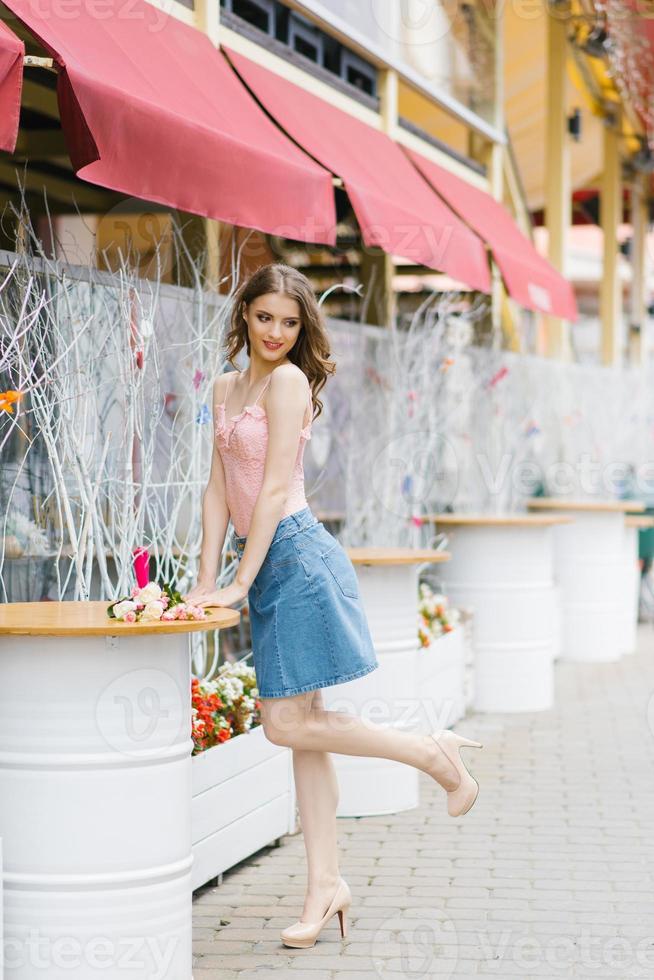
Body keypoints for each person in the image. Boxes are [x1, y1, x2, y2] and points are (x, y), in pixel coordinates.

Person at [183, 262, 483, 949]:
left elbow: (271, 490)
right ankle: (326, 887)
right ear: (245, 315)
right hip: (267, 562)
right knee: (306, 729)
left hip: (296, 558)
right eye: (265, 318)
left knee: (287, 726)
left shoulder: (289, 384)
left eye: (290, 323)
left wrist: (238, 580)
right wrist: (208, 579)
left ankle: (428, 753)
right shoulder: (227, 385)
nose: (276, 334)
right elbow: (215, 490)